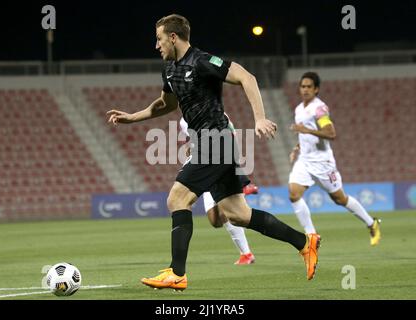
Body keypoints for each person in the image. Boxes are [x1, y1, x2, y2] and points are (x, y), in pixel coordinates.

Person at [107, 14, 321, 291]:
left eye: (159, 39)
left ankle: (177, 273)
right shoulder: (169, 69)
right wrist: (132, 117)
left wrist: (259, 118)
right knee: (238, 214)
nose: (156, 45)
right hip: (205, 142)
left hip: (217, 140)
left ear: (173, 37)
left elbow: (247, 77)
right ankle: (305, 243)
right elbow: (165, 104)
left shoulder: (203, 61)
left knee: (177, 198)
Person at [288, 71, 381, 246]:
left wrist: (307, 130)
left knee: (340, 199)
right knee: (294, 194)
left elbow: (331, 133)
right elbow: (305, 134)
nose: (305, 89)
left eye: (309, 86)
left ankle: (371, 223)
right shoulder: (299, 109)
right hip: (305, 161)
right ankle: (311, 236)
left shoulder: (319, 108)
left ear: (316, 89)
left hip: (323, 163)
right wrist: (297, 148)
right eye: (302, 86)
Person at [180, 116, 257, 265]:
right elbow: (193, 138)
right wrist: (190, 147)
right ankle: (240, 193)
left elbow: (230, 131)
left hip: (219, 164)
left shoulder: (213, 110)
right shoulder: (183, 120)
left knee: (230, 212)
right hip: (203, 164)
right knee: (215, 221)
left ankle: (246, 254)